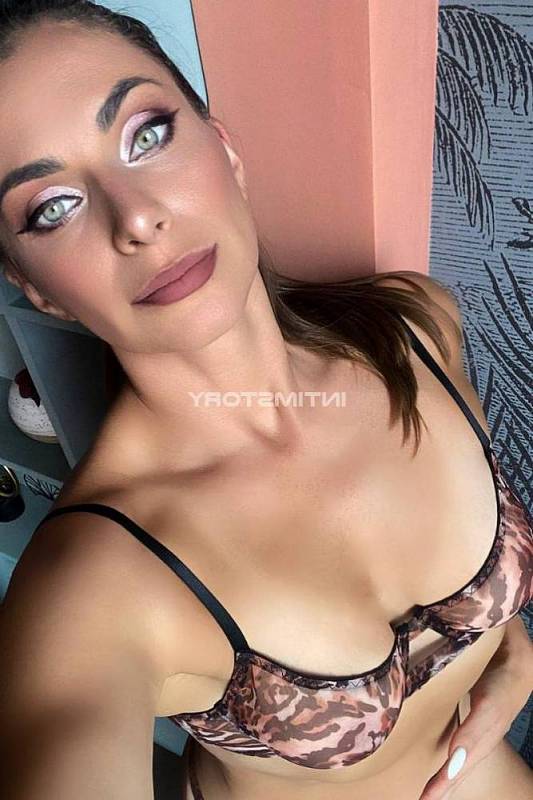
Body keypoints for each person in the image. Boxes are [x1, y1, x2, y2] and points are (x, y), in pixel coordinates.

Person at [0, 3, 531, 799]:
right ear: (35, 287)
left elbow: (481, 596)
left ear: (223, 146)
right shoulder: (93, 584)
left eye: (145, 135)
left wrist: (510, 650)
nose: (137, 218)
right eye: (53, 207)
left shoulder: (415, 327)